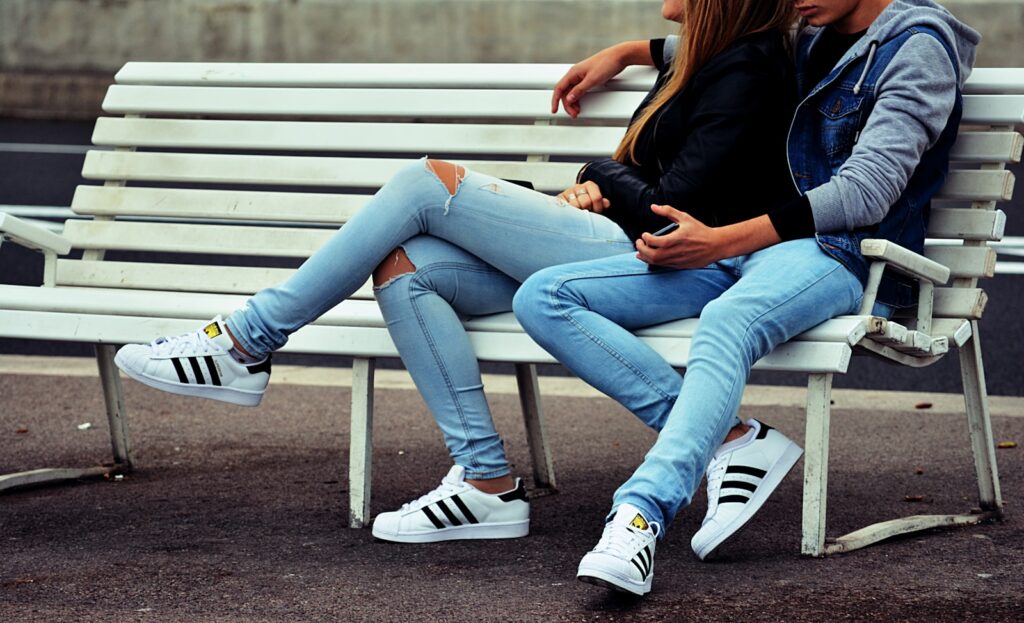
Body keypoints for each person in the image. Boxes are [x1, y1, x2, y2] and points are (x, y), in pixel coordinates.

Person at [113, 0, 799, 545]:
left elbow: (670, 209)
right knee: (407, 268)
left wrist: (596, 175)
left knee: (425, 183)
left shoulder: (749, 69)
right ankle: (488, 484)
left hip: (655, 259)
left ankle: (245, 340)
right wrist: (627, 51)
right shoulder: (714, 54)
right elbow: (697, 55)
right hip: (612, 243)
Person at [513, 0, 977, 597]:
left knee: (726, 321)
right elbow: (726, 48)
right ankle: (734, 440)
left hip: (844, 256)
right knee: (546, 296)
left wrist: (719, 241)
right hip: (747, 248)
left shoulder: (917, 49)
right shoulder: (812, 32)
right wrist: (629, 52)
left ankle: (639, 516)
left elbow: (867, 191)